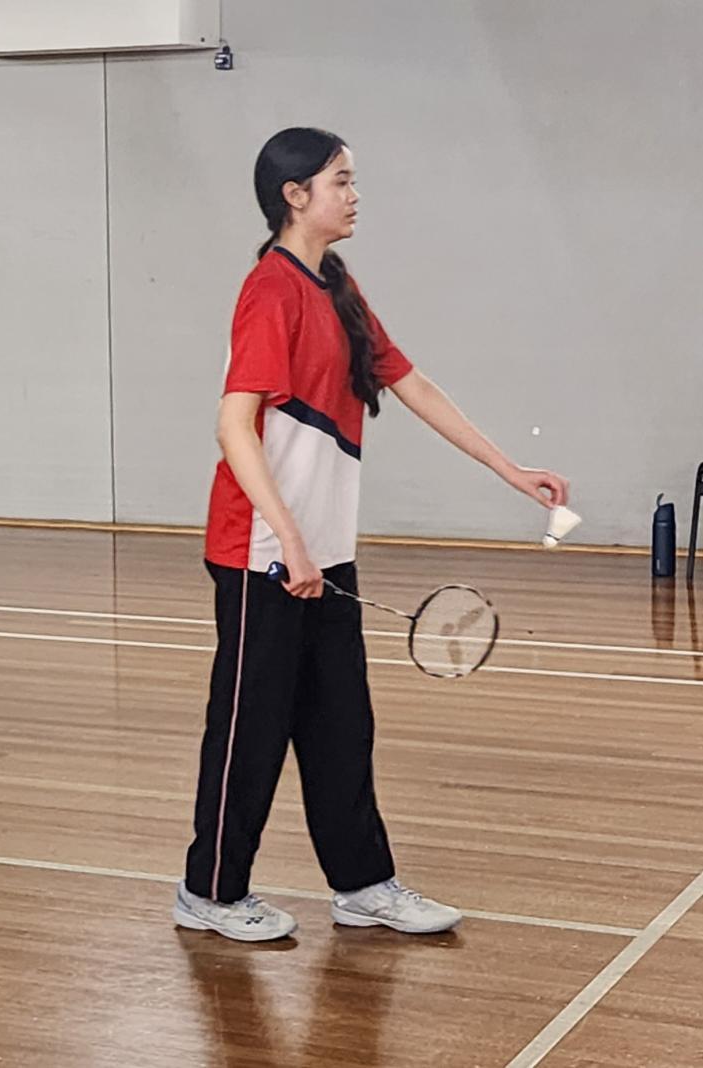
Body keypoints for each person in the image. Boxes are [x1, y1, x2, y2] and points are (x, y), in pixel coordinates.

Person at [173, 127, 569, 942]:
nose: (354, 196)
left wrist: (508, 468)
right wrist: (288, 538)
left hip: (324, 550)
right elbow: (234, 425)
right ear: (294, 196)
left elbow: (410, 383)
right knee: (250, 728)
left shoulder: (335, 284)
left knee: (340, 724)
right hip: (261, 553)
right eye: (340, 182)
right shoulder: (271, 289)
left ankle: (362, 885)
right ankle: (209, 893)